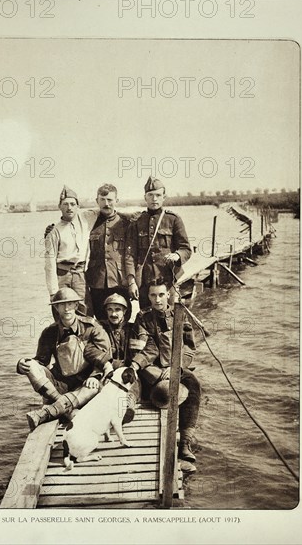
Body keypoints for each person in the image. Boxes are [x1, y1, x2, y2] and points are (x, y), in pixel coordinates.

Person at [17, 287, 113, 431]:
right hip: (61, 383)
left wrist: (95, 376)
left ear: (76, 305)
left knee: (94, 387)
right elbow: (41, 361)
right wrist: (22, 365)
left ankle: (47, 412)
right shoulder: (50, 332)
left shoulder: (91, 327)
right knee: (30, 365)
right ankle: (67, 409)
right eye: (62, 304)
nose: (67, 308)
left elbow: (105, 357)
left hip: (85, 382)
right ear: (56, 307)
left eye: (70, 304)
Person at [131, 279, 201, 466]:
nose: (157, 299)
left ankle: (185, 442)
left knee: (193, 384)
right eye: (153, 295)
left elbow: (189, 347)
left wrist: (176, 367)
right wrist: (155, 371)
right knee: (161, 392)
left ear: (168, 294)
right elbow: (142, 350)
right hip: (152, 369)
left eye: (161, 294)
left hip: (175, 366)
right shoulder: (142, 317)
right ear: (148, 297)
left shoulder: (179, 314)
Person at [125, 177, 192, 309]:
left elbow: (186, 249)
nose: (154, 199)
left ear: (164, 197)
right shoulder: (137, 221)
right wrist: (131, 281)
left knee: (169, 316)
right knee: (146, 316)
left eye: (158, 195)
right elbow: (130, 254)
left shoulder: (173, 220)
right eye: (150, 195)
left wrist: (177, 255)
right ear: (145, 197)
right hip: (145, 281)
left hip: (168, 279)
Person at [86, 184, 135, 320]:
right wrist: (51, 230)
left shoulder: (126, 223)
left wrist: (132, 281)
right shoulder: (89, 222)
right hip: (97, 281)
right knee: (101, 319)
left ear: (116, 201)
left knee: (123, 319)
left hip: (119, 281)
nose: (106, 204)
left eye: (110, 200)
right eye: (102, 200)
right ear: (97, 201)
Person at [44, 185, 94, 316]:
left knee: (85, 311)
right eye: (65, 204)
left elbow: (108, 211)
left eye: (73, 204)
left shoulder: (87, 218)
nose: (69, 207)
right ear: (59, 206)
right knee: (62, 311)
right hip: (62, 274)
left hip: (80, 274)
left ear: (78, 206)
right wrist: (53, 291)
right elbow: (49, 264)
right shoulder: (54, 232)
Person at [100, 293, 142, 424]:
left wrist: (135, 364)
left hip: (128, 369)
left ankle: (128, 406)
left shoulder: (133, 328)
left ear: (125, 311)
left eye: (118, 309)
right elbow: (92, 349)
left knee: (134, 382)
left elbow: (149, 347)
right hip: (107, 369)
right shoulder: (100, 328)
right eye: (110, 310)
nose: (113, 314)